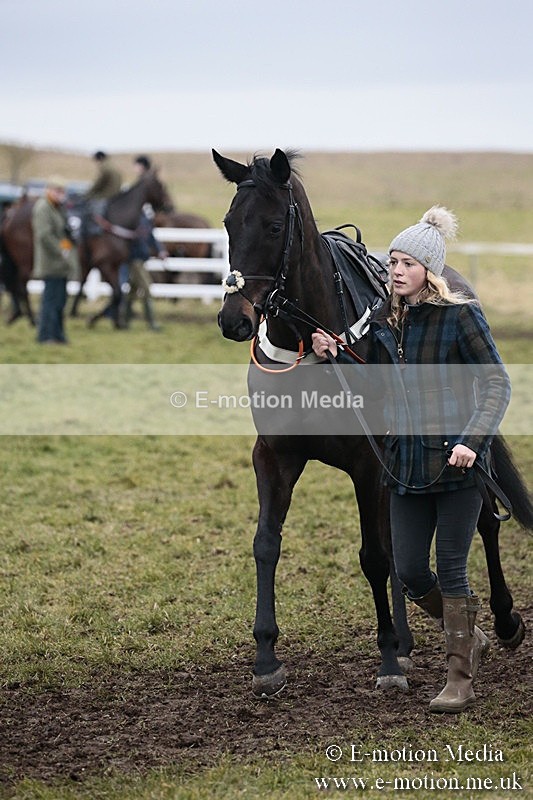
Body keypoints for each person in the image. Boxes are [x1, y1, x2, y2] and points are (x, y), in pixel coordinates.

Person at [312, 207, 511, 714]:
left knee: (450, 569)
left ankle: (459, 680)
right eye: (392, 262)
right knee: (408, 571)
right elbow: (369, 371)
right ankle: (468, 635)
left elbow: (496, 384)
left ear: (429, 271)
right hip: (404, 465)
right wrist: (332, 350)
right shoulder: (386, 321)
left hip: (457, 465)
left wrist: (472, 440)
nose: (395, 271)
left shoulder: (460, 316)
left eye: (406, 264)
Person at [120, 155, 167, 331]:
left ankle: (123, 320)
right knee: (146, 288)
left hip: (141, 256)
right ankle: (152, 323)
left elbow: (150, 234)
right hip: (134, 258)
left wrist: (160, 250)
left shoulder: (144, 214)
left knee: (132, 291)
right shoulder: (131, 217)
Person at [32, 176, 78, 344]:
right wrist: (61, 251)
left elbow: (64, 230)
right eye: (58, 191)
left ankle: (58, 334)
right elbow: (44, 235)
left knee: (60, 301)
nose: (61, 194)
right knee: (50, 301)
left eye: (62, 191)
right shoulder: (43, 208)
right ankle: (45, 335)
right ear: (49, 190)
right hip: (50, 261)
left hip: (61, 263)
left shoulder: (58, 208)